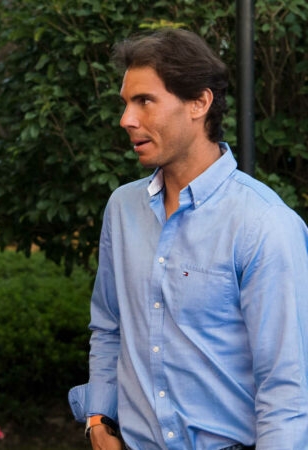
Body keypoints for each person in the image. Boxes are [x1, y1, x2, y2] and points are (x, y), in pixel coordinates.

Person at [69, 28, 308, 450]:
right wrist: (98, 418)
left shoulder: (264, 223)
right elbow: (108, 325)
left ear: (199, 102)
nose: (127, 119)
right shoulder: (123, 209)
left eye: (145, 101)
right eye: (125, 103)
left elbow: (286, 389)